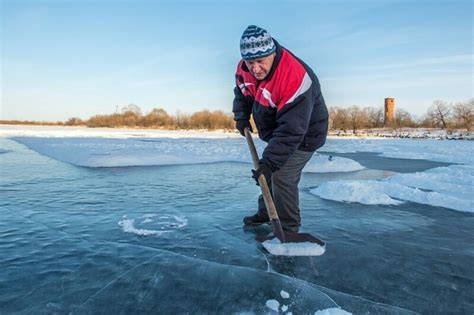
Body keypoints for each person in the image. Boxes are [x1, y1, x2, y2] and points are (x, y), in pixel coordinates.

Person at [233, 25, 328, 233]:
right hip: (279, 130)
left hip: (305, 133)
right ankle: (267, 211)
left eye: (260, 62)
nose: (255, 69)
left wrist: (270, 163)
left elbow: (292, 130)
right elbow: (242, 92)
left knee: (281, 174)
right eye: (250, 62)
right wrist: (241, 116)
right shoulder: (243, 69)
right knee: (269, 172)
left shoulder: (294, 77)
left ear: (272, 53)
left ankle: (287, 229)